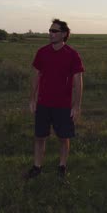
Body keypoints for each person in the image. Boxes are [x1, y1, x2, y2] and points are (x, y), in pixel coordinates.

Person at [25, 18, 84, 179]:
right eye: (49, 31)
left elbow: (78, 81)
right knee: (39, 137)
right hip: (43, 103)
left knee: (63, 138)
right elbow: (35, 76)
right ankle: (37, 167)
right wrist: (32, 99)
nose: (50, 34)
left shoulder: (72, 55)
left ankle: (62, 167)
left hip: (63, 105)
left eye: (54, 31)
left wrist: (77, 105)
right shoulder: (42, 52)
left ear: (64, 34)